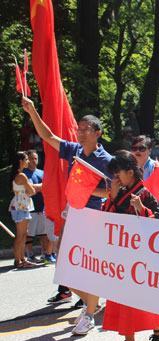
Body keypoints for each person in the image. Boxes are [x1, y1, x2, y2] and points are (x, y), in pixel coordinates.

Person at [22, 96, 113, 327]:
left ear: (98, 132)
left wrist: (88, 190)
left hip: (92, 219)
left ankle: (89, 315)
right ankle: (92, 302)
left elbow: (111, 193)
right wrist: (33, 111)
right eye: (78, 129)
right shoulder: (74, 150)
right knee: (63, 268)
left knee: (87, 268)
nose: (80, 133)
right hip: (71, 215)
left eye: (86, 129)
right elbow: (48, 136)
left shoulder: (107, 161)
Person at [101, 151, 159, 341]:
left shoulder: (144, 193)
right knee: (121, 298)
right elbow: (108, 220)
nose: (115, 178)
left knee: (140, 298)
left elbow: (157, 221)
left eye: (117, 173)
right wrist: (113, 197)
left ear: (130, 172)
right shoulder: (119, 192)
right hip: (121, 254)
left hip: (140, 256)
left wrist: (142, 210)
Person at [23, 150, 55, 264]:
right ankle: (30, 254)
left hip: (43, 206)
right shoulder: (24, 174)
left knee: (44, 233)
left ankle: (44, 252)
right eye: (31, 159)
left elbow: (47, 186)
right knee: (30, 234)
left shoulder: (42, 173)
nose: (34, 161)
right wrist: (41, 186)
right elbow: (29, 188)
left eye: (35, 158)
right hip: (31, 207)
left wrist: (39, 187)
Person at [9, 152, 37, 269]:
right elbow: (31, 191)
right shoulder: (22, 176)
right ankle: (18, 260)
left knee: (24, 234)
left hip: (22, 205)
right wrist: (31, 188)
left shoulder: (18, 175)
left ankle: (22, 258)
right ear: (20, 161)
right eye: (26, 159)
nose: (28, 162)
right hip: (21, 206)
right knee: (21, 235)